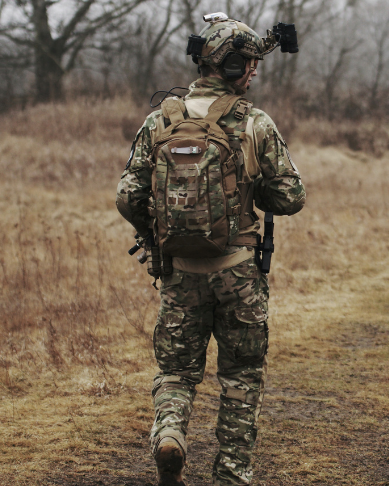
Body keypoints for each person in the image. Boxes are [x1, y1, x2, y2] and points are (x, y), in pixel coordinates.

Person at [115, 13, 305, 486]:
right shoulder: (254, 123)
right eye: (251, 66)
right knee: (241, 379)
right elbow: (291, 198)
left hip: (179, 273)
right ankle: (232, 476)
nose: (255, 73)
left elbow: (127, 196)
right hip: (239, 273)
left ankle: (171, 433)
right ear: (235, 66)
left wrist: (156, 236)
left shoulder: (162, 119)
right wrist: (253, 190)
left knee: (177, 372)